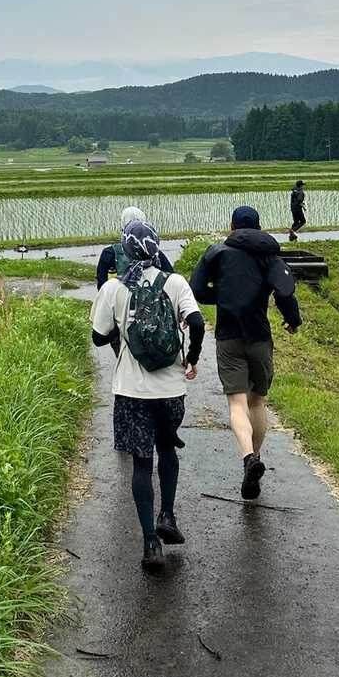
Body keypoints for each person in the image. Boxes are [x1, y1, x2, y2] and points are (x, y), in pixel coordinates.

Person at [91, 220, 206, 572]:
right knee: (167, 449)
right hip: (171, 389)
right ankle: (167, 515)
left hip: (131, 392)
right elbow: (197, 322)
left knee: (142, 463)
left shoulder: (114, 288)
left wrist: (123, 326)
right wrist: (192, 357)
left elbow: (98, 337)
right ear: (157, 248)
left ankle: (150, 543)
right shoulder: (175, 282)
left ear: (125, 250)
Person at [189, 205, 301, 501]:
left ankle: (248, 457)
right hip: (259, 337)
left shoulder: (217, 252)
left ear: (232, 226)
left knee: (237, 403)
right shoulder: (269, 256)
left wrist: (223, 296)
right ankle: (256, 456)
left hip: (228, 337)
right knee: (258, 401)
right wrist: (293, 320)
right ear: (258, 227)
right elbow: (285, 291)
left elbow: (196, 288)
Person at [96, 205, 174, 287]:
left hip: (117, 294)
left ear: (123, 227)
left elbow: (101, 285)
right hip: (151, 294)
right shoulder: (155, 253)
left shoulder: (109, 253)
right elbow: (170, 278)